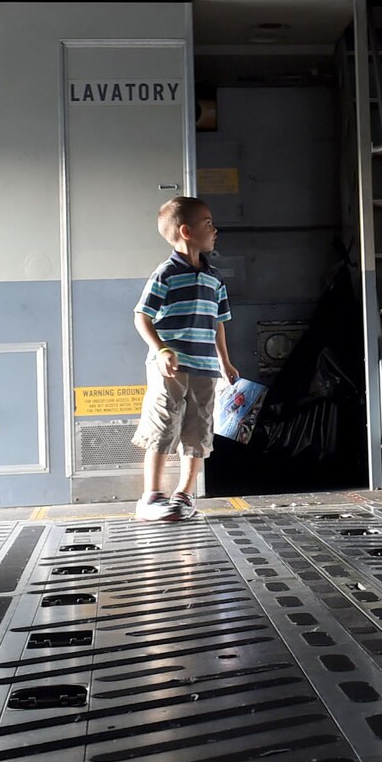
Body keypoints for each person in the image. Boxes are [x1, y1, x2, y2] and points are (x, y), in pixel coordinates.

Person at [130, 196, 236, 522]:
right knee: (163, 425)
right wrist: (161, 349)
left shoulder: (214, 279)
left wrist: (225, 362)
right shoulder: (165, 274)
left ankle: (185, 495)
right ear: (187, 231)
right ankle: (151, 497)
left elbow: (217, 323)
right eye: (207, 223)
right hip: (171, 369)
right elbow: (141, 316)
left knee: (199, 429)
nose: (214, 229)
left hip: (205, 369)